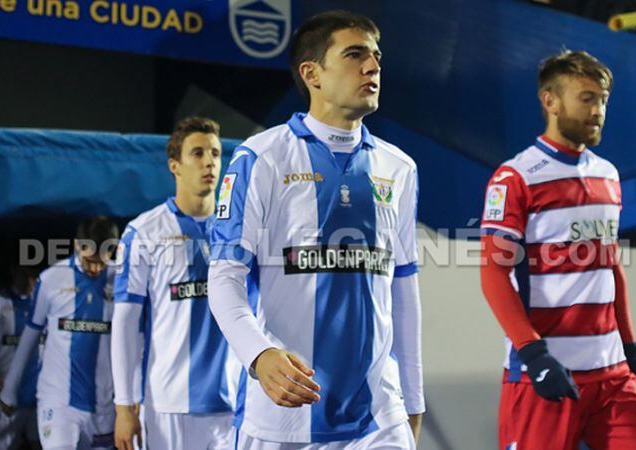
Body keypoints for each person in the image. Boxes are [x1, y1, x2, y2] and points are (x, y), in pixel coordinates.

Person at [208, 10, 424, 449]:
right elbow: (224, 275)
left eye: (377, 56)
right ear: (312, 74)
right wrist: (258, 354)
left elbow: (403, 287)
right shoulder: (261, 157)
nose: (373, 66)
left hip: (379, 417)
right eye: (355, 54)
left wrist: (414, 397)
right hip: (282, 413)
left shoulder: (398, 167)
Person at [479, 50, 636, 450]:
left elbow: (610, 267)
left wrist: (630, 349)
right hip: (546, 376)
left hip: (613, 375)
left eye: (602, 100)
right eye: (586, 98)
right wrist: (534, 355)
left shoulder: (608, 175)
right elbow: (494, 274)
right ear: (550, 101)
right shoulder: (515, 178)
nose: (598, 110)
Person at [112, 116, 238, 450]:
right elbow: (125, 322)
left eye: (214, 152)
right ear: (175, 166)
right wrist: (124, 405)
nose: (209, 161)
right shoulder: (143, 232)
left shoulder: (240, 228)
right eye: (197, 153)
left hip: (234, 402)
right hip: (169, 403)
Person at [0, 216, 119, 450]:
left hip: (104, 406)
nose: (95, 268)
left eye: (101, 261)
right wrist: (9, 388)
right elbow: (30, 337)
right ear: (77, 245)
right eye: (88, 260)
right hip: (58, 400)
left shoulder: (123, 281)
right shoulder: (52, 279)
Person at [0, 265, 41, 450]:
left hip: (41, 397)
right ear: (13, 270)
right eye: (24, 274)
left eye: (33, 276)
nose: (29, 281)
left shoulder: (48, 304)